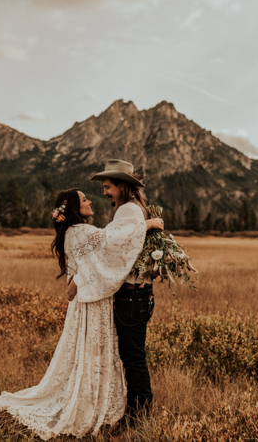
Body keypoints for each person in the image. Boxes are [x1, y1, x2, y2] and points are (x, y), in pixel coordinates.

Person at [0, 188, 163, 440]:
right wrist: (147, 223)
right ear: (75, 208)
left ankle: (102, 402)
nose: (90, 200)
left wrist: (77, 279)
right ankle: (98, 404)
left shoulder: (72, 233)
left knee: (88, 354)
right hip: (93, 304)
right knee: (96, 353)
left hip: (85, 301)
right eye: (84, 199)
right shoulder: (82, 231)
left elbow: (89, 262)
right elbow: (112, 240)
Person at [89, 159, 161, 418]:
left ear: (122, 185)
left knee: (133, 358)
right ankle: (136, 412)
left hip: (132, 296)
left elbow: (114, 241)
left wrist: (147, 225)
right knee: (133, 356)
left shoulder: (129, 210)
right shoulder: (133, 208)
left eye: (108, 187)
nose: (105, 192)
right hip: (137, 296)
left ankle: (139, 416)